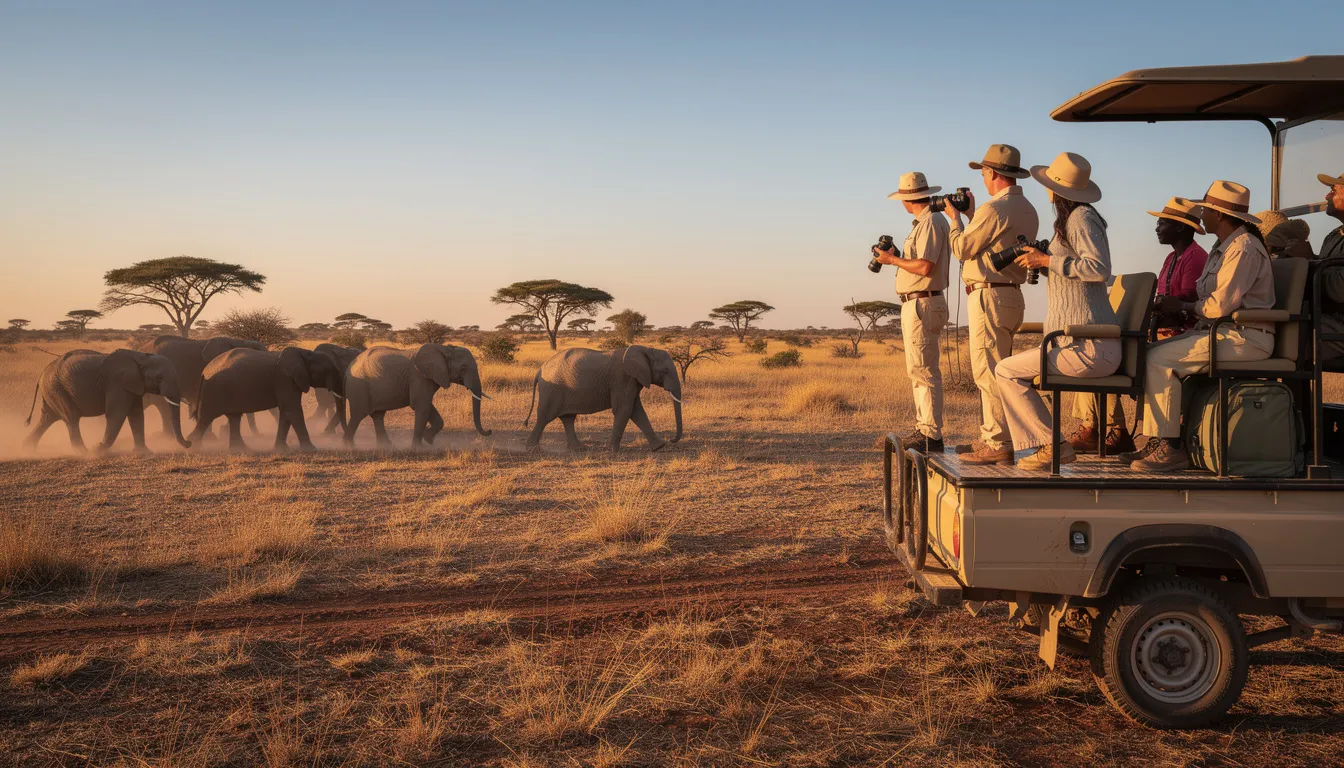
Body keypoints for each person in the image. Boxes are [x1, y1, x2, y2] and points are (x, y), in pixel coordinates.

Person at [1126, 181, 1276, 472]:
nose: (1202, 215)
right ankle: (1160, 440)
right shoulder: (1224, 246)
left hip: (1246, 338)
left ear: (1219, 215)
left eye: (1206, 209)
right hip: (1224, 332)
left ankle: (1171, 448)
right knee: (1150, 352)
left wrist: (1182, 308)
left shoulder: (1242, 249)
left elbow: (1219, 306)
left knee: (1157, 358)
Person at [990, 152, 1121, 470]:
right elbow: (1077, 277)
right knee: (1008, 370)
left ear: (1056, 189)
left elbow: (1099, 268)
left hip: (1088, 346)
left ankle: (1053, 445)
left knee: (1005, 371)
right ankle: (1051, 444)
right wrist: (1045, 263)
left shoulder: (1081, 218)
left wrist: (1047, 261)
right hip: (1080, 343)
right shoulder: (1072, 220)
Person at [1067, 196, 1208, 455]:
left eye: (1162, 223)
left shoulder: (1195, 258)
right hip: (1162, 330)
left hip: (1178, 333)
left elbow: (1186, 300)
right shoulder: (1172, 258)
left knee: (1103, 360)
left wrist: (1156, 308)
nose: (1157, 228)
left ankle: (1113, 430)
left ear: (1180, 226)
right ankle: (1095, 428)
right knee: (1094, 354)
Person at [944, 144, 1040, 466]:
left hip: (989, 295)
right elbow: (994, 241)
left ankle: (997, 441)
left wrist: (956, 220)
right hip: (1011, 294)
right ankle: (995, 436)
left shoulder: (993, 209)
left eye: (984, 173)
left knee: (989, 371)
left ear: (994, 173)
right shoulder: (1027, 208)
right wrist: (973, 216)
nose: (983, 179)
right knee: (1000, 367)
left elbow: (963, 248)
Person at [876, 172, 951, 452]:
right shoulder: (928, 222)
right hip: (922, 301)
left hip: (922, 302)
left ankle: (931, 435)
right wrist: (897, 256)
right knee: (919, 368)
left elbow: (925, 266)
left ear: (907, 199)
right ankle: (925, 430)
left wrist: (892, 259)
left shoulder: (931, 222)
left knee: (923, 369)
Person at [1314, 171, 1344, 368]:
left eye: (1333, 190)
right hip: (1328, 318)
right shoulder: (1333, 236)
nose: (1327, 197)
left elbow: (1341, 289)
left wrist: (1309, 266)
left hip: (1339, 325)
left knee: (1289, 339)